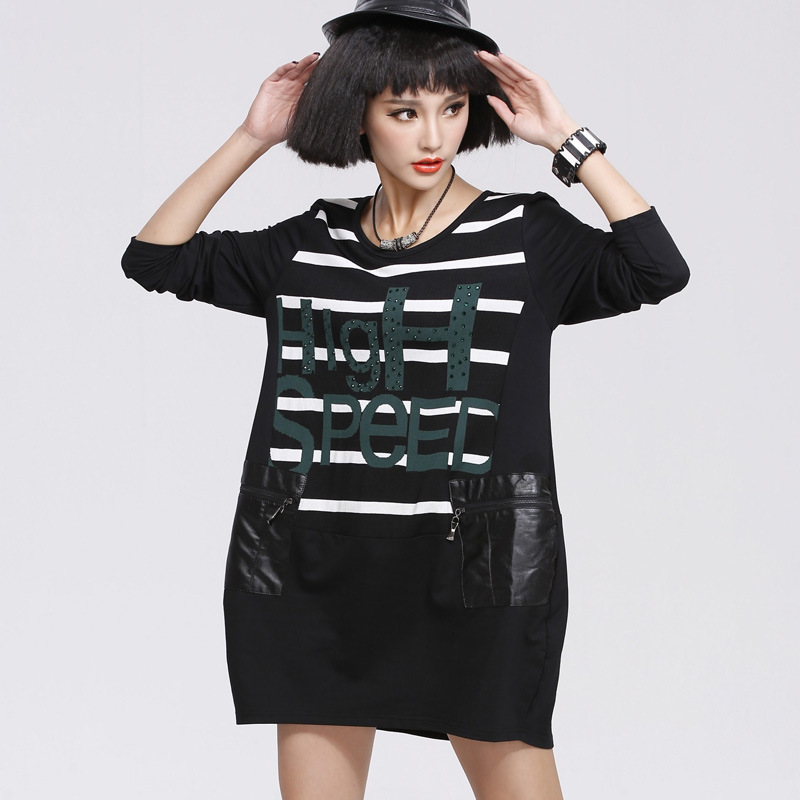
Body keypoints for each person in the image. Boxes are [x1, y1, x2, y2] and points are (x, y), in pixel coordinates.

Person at [120, 1, 690, 797]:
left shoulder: (525, 236)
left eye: (452, 108)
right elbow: (153, 259)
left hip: (475, 569)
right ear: (357, 114)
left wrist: (567, 138)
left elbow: (658, 269)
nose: (433, 137)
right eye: (404, 111)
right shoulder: (310, 244)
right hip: (317, 567)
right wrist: (253, 136)